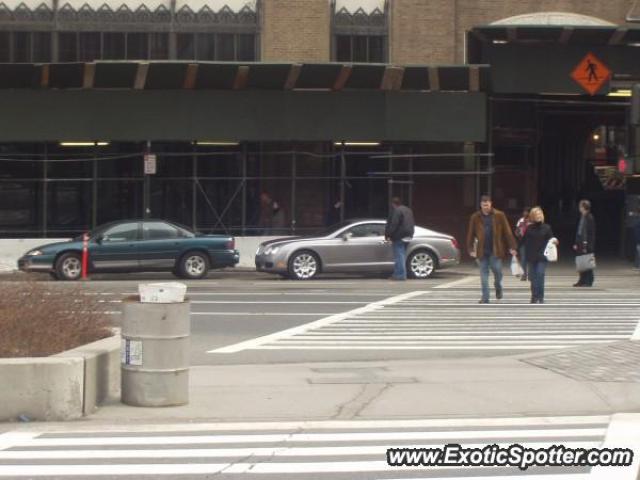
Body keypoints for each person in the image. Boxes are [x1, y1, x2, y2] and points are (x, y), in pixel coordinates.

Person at [466, 195, 517, 304]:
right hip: (481, 251)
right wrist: (470, 249)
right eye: (484, 205)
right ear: (481, 205)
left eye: (487, 205)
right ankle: (485, 297)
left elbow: (507, 232)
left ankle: (498, 287)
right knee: (483, 275)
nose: (485, 207)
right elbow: (470, 233)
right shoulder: (475, 217)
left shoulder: (499, 215)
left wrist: (512, 246)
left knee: (498, 272)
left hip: (496, 250)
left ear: (491, 204)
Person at [523, 207, 558, 304]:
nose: (538, 216)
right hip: (531, 256)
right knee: (533, 277)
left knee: (540, 274)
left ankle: (541, 297)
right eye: (536, 214)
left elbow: (551, 238)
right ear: (532, 216)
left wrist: (555, 241)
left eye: (539, 214)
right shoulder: (529, 228)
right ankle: (534, 296)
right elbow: (523, 241)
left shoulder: (547, 227)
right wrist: (515, 250)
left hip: (542, 256)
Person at [385, 197, 415, 281]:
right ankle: (398, 274)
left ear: (393, 204)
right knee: (401, 256)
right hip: (409, 235)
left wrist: (388, 235)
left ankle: (400, 275)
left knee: (399, 257)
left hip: (399, 236)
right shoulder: (408, 210)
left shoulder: (397, 211)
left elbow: (394, 224)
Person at [573, 199, 596, 287]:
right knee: (580, 262)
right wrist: (576, 242)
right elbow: (579, 231)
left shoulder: (589, 217)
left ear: (583, 207)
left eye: (580, 206)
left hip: (586, 243)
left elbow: (590, 233)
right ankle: (581, 280)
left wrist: (588, 244)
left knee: (588, 262)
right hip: (580, 242)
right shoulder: (582, 217)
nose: (579, 208)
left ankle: (589, 280)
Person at [514, 207, 531, 281]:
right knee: (523, 259)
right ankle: (524, 274)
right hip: (522, 242)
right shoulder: (520, 220)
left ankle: (531, 275)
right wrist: (518, 232)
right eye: (524, 211)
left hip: (532, 242)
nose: (525, 213)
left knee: (530, 258)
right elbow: (516, 231)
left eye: (527, 212)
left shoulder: (533, 220)